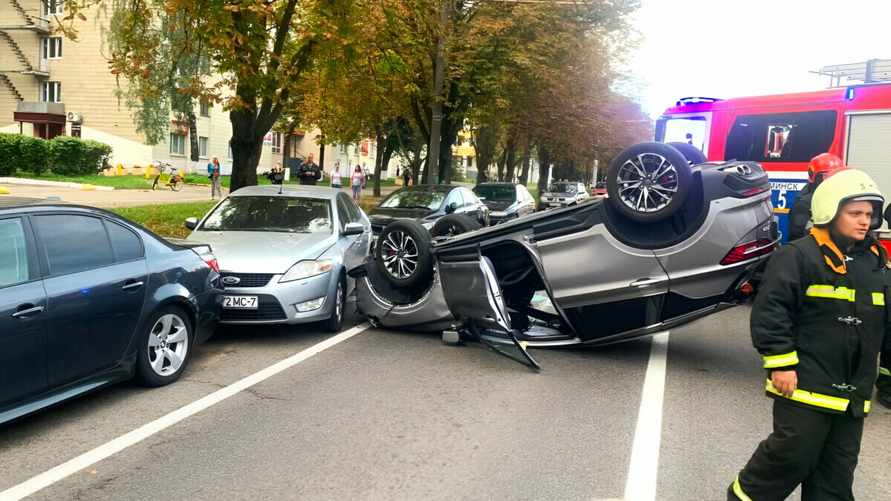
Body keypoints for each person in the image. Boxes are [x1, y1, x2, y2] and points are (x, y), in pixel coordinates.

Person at [728, 168, 889, 501]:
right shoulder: (798, 256)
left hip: (853, 395)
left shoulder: (877, 265)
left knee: (837, 472)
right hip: (804, 382)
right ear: (830, 211)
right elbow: (772, 311)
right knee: (790, 457)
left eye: (869, 214)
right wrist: (781, 363)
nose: (864, 221)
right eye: (855, 213)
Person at [788, 153, 845, 241]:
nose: (832, 181)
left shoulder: (839, 197)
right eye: (826, 176)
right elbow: (798, 237)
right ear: (814, 176)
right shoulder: (803, 205)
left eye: (836, 176)